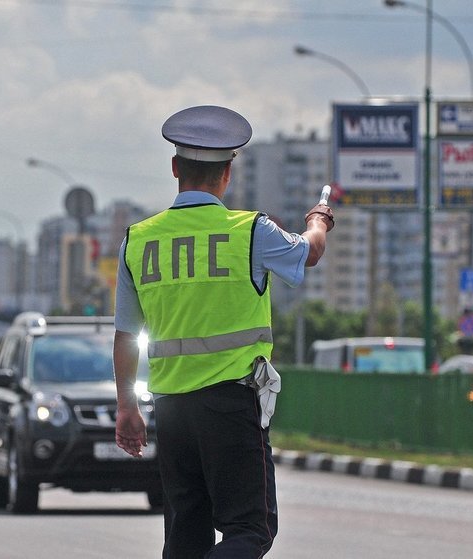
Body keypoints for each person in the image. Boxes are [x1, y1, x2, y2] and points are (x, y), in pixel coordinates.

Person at [113, 105, 334, 558]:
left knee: (185, 536)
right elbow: (308, 254)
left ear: (175, 168)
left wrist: (126, 408)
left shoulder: (139, 239)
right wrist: (318, 221)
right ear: (228, 173)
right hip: (231, 405)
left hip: (170, 408)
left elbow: (124, 335)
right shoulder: (250, 230)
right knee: (250, 530)